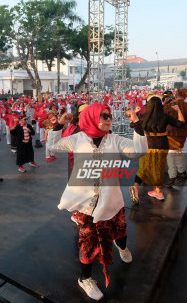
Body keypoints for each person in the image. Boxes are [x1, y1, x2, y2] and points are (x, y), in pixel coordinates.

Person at [46, 104, 148, 300]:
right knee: (88, 242)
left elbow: (139, 151)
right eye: (104, 116)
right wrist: (59, 124)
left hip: (112, 199)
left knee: (120, 231)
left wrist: (136, 123)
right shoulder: (77, 139)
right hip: (86, 204)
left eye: (109, 115)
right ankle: (85, 279)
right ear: (92, 117)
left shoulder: (115, 139)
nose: (109, 118)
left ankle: (122, 247)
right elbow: (52, 145)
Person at [129, 95, 184, 202]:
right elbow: (181, 124)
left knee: (143, 168)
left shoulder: (143, 117)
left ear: (148, 106)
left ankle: (135, 188)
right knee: (159, 167)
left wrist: (135, 113)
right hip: (162, 146)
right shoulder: (165, 117)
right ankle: (158, 192)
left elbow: (132, 124)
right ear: (160, 106)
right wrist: (178, 110)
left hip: (147, 145)